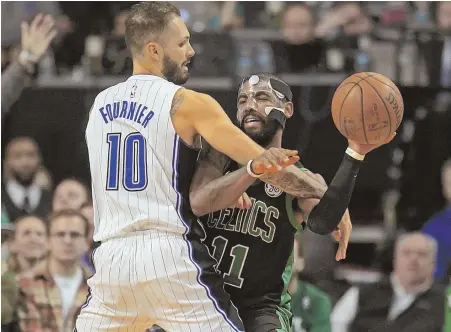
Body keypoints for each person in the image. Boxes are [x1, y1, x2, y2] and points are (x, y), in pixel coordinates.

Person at [76, 2, 333, 332]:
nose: (191, 50)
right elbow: (265, 164)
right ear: (154, 50)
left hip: (111, 261)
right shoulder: (188, 103)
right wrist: (328, 198)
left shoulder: (99, 105)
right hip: (168, 257)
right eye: (182, 43)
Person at [189, 73, 394, 331]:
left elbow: (323, 222)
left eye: (261, 97)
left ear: (287, 109)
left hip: (259, 306)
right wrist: (252, 169)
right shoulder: (218, 156)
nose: (249, 105)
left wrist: (355, 153)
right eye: (242, 100)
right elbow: (199, 201)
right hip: (200, 295)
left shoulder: (303, 179)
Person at [331, 232, 445, 332]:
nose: (413, 260)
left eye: (421, 254)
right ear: (395, 259)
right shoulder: (361, 293)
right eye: (407, 253)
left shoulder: (444, 302)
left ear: (434, 263)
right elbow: (335, 325)